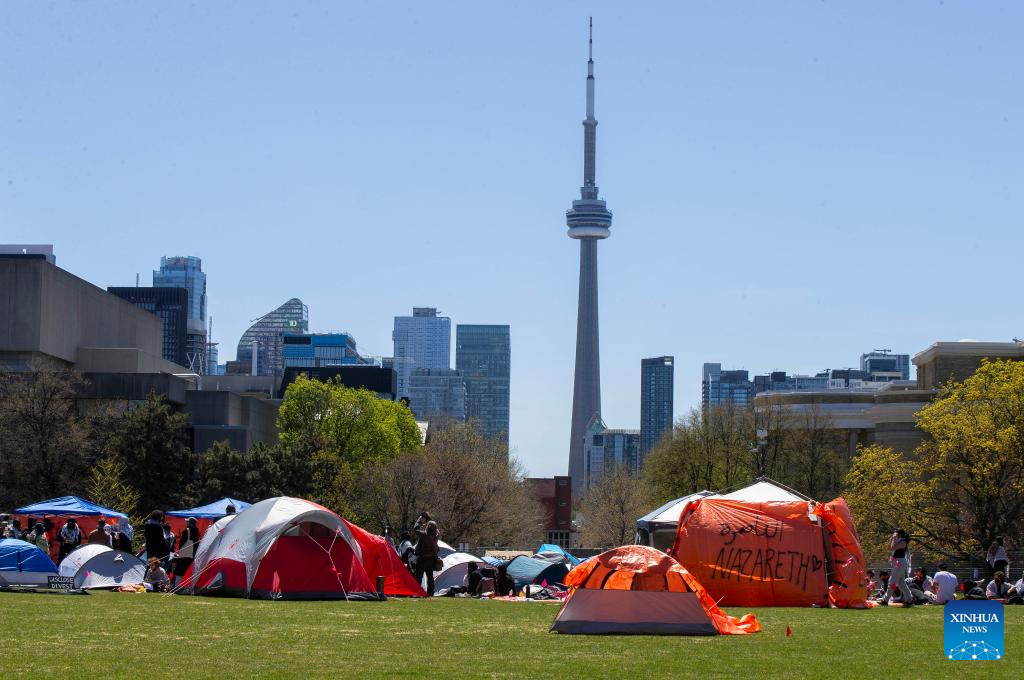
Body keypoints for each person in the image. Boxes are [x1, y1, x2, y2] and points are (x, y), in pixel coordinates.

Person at [881, 529, 913, 607]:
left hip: (900, 562)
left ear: (899, 534)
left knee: (892, 581)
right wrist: (892, 539)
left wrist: (894, 539)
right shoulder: (897, 540)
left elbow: (893, 548)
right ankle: (910, 599)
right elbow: (889, 548)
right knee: (901, 583)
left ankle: (885, 599)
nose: (894, 534)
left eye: (896, 533)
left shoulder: (903, 542)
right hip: (897, 562)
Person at [413, 513, 440, 596]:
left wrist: (419, 521)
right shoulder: (436, 536)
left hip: (422, 559)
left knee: (419, 577)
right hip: (431, 559)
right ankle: (430, 592)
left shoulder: (424, 535)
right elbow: (436, 530)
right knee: (430, 577)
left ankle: (417, 592)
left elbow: (416, 529)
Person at [172, 517, 200, 586]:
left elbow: (182, 543)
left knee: (180, 570)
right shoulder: (197, 531)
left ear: (189, 523)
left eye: (187, 522)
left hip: (185, 554)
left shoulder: (186, 530)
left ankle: (178, 585)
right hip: (192, 554)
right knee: (189, 570)